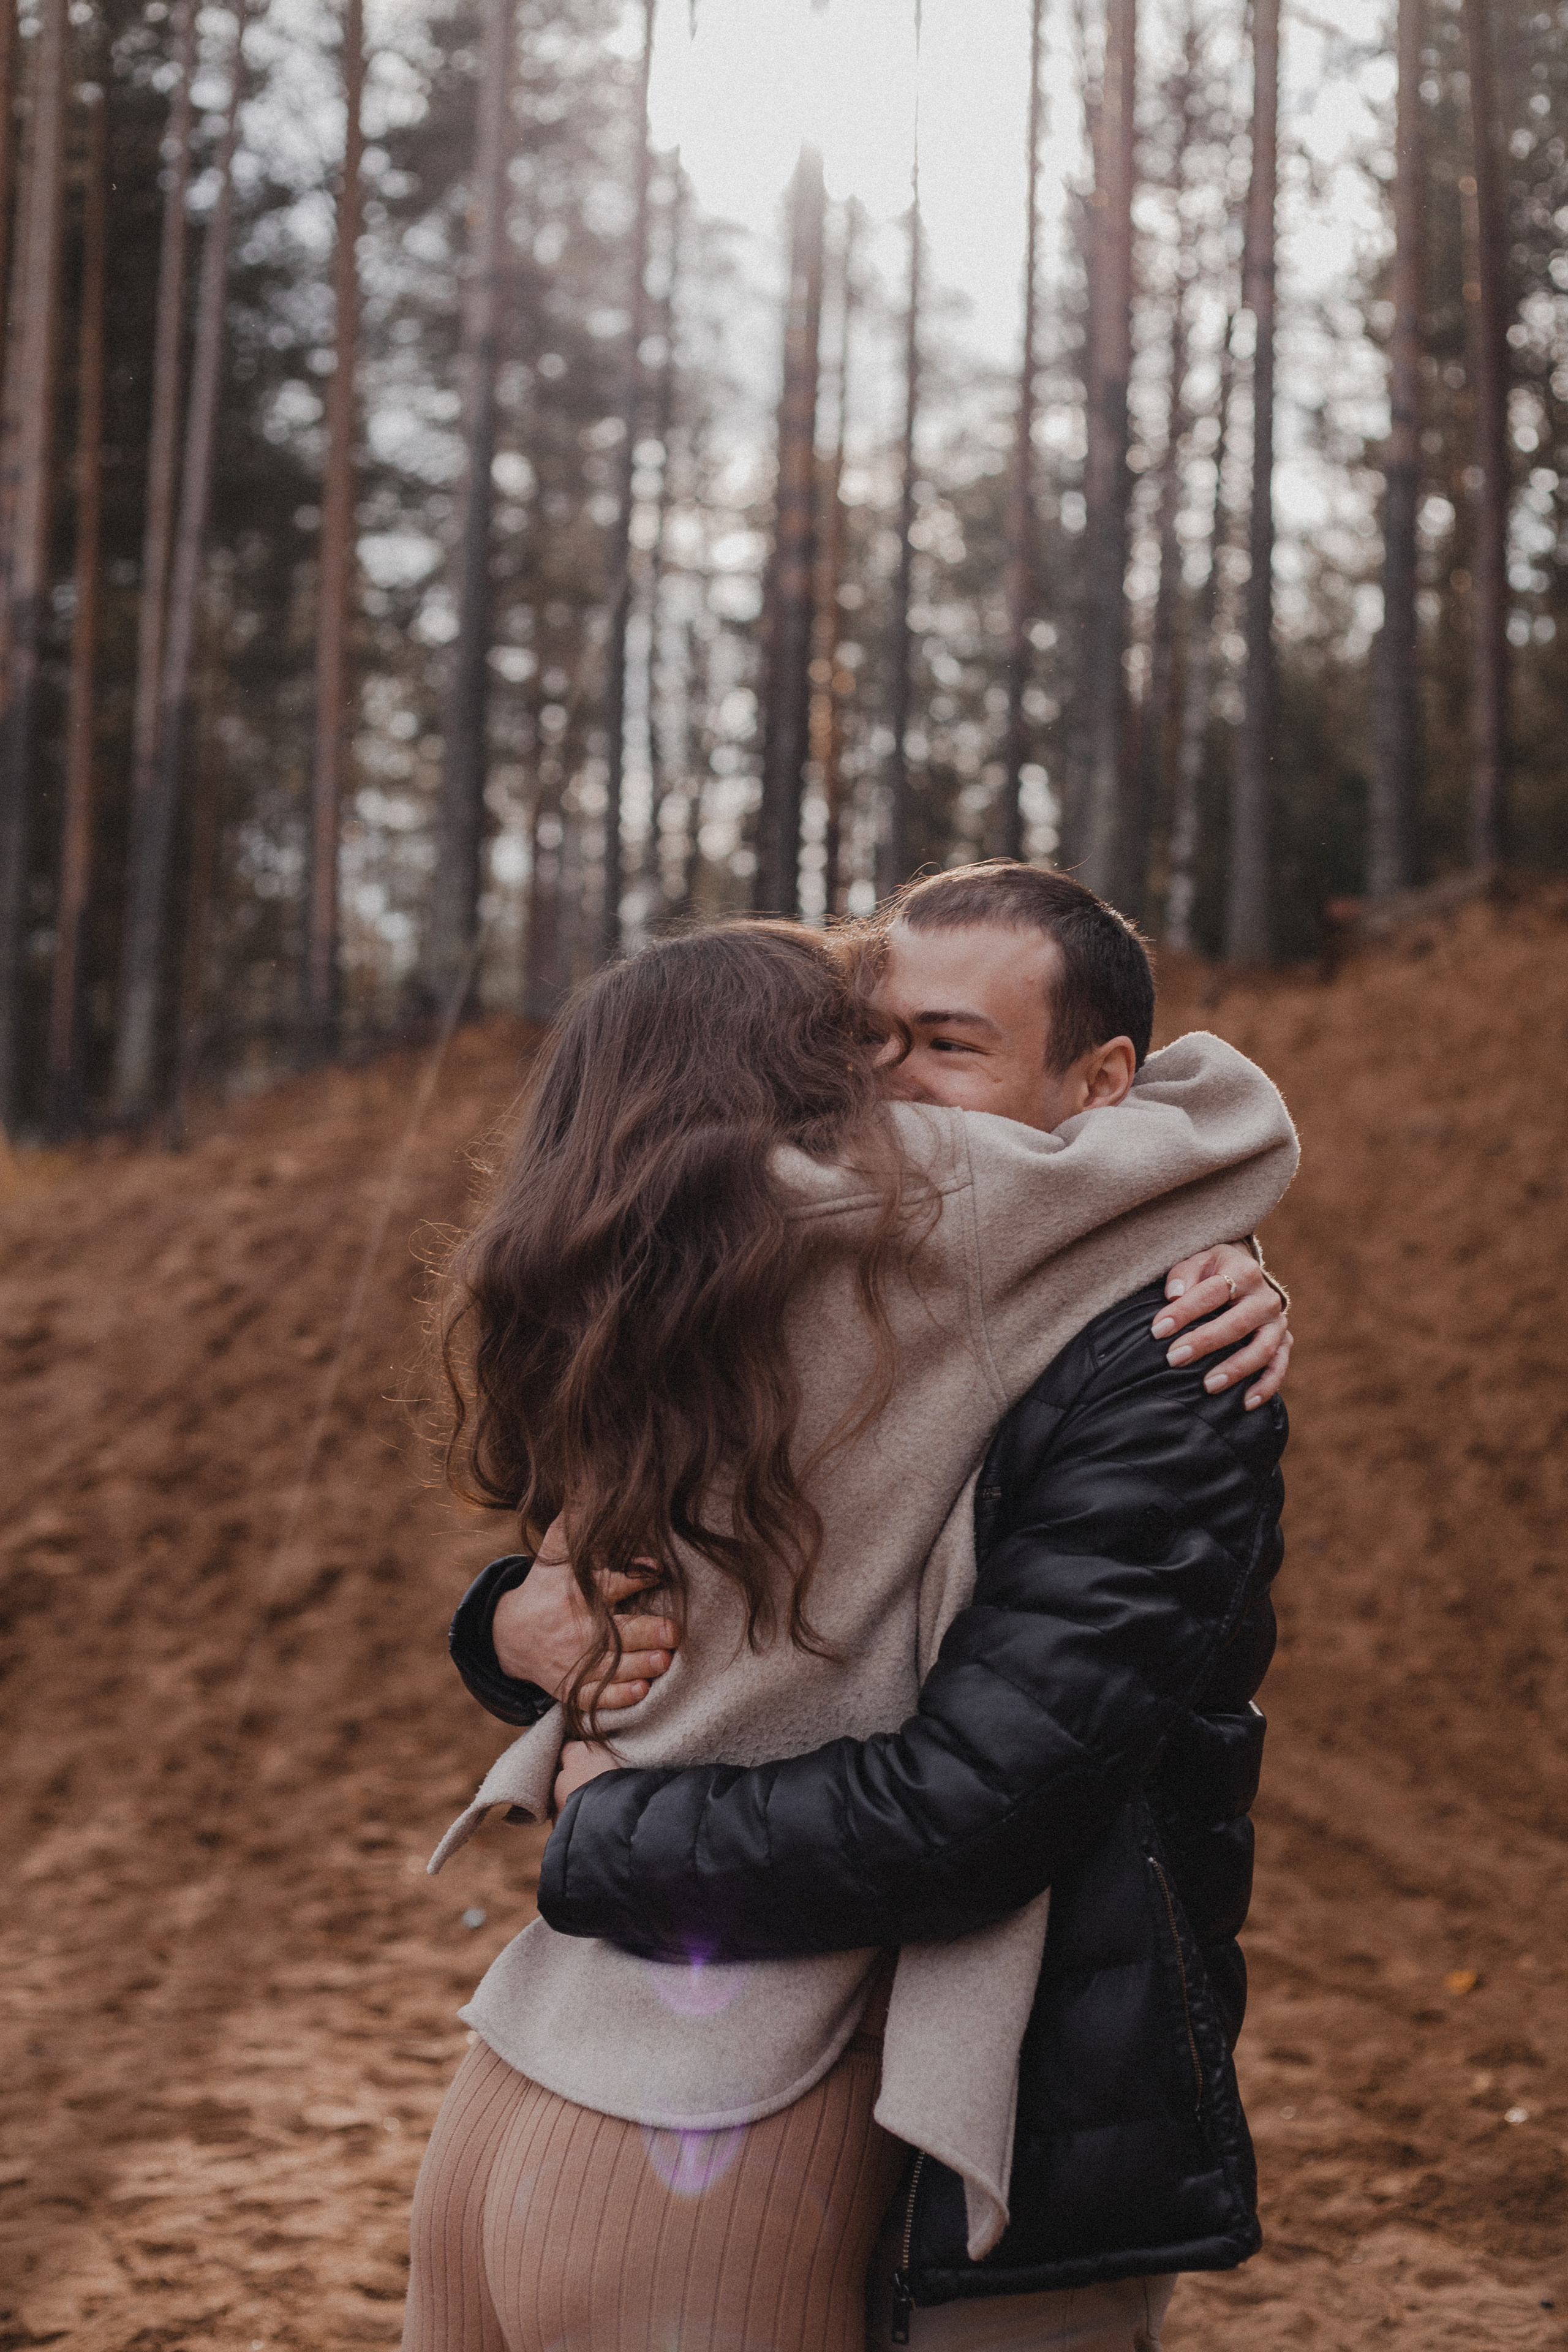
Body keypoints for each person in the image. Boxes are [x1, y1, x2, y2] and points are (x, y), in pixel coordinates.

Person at [417, 873, 1298, 2352]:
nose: (887, 1092)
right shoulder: (832, 1282)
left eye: (943, 1047)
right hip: (735, 2105)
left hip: (576, 2052)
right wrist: (523, 1629)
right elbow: (948, 1799)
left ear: (1099, 1085)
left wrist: (566, 1744)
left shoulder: (680, 1272)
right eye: (859, 1046)